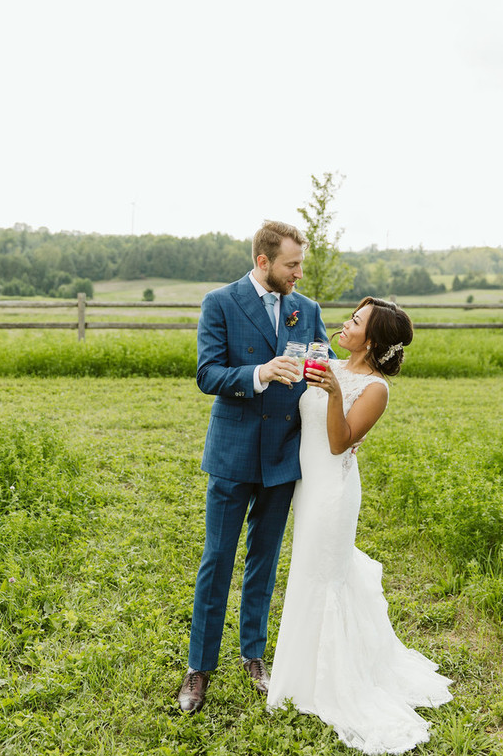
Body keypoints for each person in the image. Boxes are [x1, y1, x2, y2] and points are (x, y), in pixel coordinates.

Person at [267, 297, 453, 754]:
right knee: (308, 576)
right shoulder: (325, 360)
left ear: (371, 339)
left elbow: (338, 443)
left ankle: (323, 681)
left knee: (322, 578)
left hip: (332, 493)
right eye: (350, 316)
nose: (344, 324)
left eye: (355, 321)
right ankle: (302, 669)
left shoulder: (375, 389)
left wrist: (333, 392)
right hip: (306, 488)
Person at [177, 220, 334, 713]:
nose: (299, 274)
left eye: (300, 264)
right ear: (264, 261)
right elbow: (208, 373)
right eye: (292, 265)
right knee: (218, 560)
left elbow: (325, 359)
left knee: (263, 563)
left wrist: (319, 367)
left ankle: (254, 657)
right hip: (233, 452)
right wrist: (260, 373)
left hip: (284, 455)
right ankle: (199, 669)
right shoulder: (219, 303)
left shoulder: (306, 309)